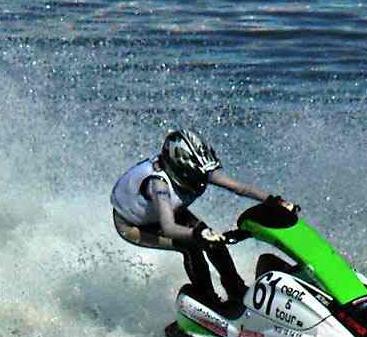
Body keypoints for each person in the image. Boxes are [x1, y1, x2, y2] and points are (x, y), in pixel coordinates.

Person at [110, 129, 294, 309]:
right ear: (180, 169)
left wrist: (275, 201)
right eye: (197, 176)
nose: (202, 180)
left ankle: (236, 290)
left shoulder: (200, 169)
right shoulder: (159, 185)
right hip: (133, 226)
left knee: (215, 241)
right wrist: (199, 234)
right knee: (191, 246)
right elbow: (168, 227)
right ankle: (207, 300)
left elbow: (240, 188)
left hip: (168, 211)